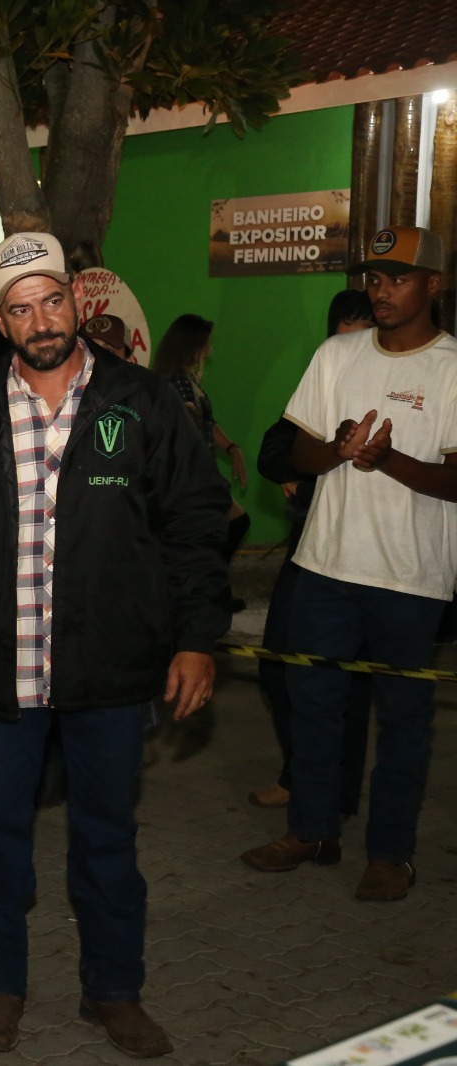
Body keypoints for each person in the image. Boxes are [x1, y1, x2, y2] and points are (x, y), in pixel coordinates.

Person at [0, 232, 228, 1058]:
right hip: (0, 668)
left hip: (112, 668)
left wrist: (197, 639)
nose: (40, 320)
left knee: (107, 835)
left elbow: (195, 523)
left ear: (76, 301)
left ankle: (114, 989)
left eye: (51, 300)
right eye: (19, 309)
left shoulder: (140, 398)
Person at [240, 226, 457, 904]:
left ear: (433, 285)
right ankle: (312, 829)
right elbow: (297, 452)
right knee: (313, 707)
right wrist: (337, 449)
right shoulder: (337, 354)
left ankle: (390, 853)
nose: (381, 289)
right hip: (325, 566)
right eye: (374, 278)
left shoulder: (451, 368)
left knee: (403, 720)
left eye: (397, 277)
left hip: (410, 578)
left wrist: (386, 459)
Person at [248, 289, 375, 813]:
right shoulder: (321, 384)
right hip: (312, 553)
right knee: (281, 667)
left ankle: (333, 797)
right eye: (345, 342)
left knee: (358, 686)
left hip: (376, 560)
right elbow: (273, 452)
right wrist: (310, 464)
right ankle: (302, 776)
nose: (355, 354)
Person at [153, 314, 250, 573]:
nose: (210, 351)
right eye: (207, 343)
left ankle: (210, 585)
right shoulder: (178, 383)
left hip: (198, 477)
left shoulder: (187, 379)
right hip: (192, 480)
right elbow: (187, 432)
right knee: (228, 526)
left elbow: (208, 423)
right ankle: (207, 585)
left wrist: (232, 449)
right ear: (192, 346)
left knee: (223, 530)